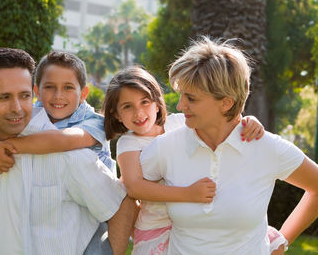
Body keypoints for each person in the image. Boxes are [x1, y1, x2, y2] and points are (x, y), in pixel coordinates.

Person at [139, 37, 318, 254]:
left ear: (226, 103)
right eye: (181, 95)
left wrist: (280, 241)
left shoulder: (266, 147)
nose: (180, 105)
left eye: (192, 99)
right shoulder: (166, 147)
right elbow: (128, 190)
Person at [0, 47, 134, 255]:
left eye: (23, 96)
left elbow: (123, 205)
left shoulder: (68, 151)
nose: (16, 107)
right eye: (4, 97)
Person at [102, 66, 265, 254]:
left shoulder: (180, 123)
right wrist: (189, 194)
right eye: (127, 106)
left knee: (266, 239)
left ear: (157, 103)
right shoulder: (129, 143)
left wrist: (248, 121)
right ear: (116, 114)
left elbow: (219, 125)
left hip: (198, 219)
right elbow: (134, 187)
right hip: (158, 226)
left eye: (144, 102)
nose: (138, 113)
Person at [0, 50, 115, 176]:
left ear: (83, 93)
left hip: (103, 202)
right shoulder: (36, 110)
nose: (58, 95)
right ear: (37, 91)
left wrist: (3, 147)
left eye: (68, 88)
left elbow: (63, 140)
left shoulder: (95, 123)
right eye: (50, 87)